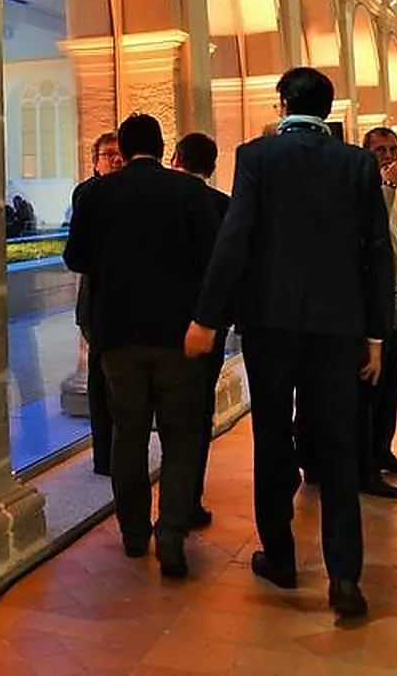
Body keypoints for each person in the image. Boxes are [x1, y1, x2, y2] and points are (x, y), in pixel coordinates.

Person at [187, 67, 392, 621]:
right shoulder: (355, 164)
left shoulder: (256, 157)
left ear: (282, 105)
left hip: (271, 325)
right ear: (328, 111)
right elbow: (377, 252)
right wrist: (377, 335)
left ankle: (280, 556)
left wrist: (207, 318)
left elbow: (234, 240)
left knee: (272, 435)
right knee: (339, 445)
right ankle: (345, 576)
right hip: (338, 327)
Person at [64, 114, 220, 579]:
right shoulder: (190, 193)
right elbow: (214, 261)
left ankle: (135, 535)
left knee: (127, 436)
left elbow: (75, 257)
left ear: (125, 149)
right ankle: (171, 535)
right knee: (180, 435)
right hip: (178, 336)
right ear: (161, 146)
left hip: (117, 337)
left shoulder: (95, 194)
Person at [170, 131, 231, 529]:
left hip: (161, 323)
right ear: (212, 167)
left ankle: (142, 518)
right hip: (207, 322)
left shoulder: (159, 200)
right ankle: (187, 500)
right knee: (197, 413)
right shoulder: (224, 206)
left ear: (175, 158)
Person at [358, 127, 397, 500]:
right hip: (367, 307)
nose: (388, 155)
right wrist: (387, 188)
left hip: (390, 301)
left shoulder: (390, 194)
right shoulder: (366, 189)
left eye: (393, 148)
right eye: (380, 149)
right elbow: (373, 241)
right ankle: (365, 465)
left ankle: (383, 449)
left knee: (392, 380)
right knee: (370, 390)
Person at [72, 131, 124, 476]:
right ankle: (104, 456)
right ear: (95, 162)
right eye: (108, 155)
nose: (116, 159)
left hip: (130, 307)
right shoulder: (88, 193)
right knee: (99, 384)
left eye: (121, 154)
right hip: (98, 307)